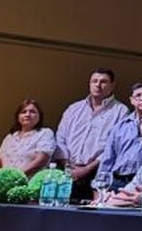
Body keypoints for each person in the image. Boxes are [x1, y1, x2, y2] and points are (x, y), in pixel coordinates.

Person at [54, 68, 129, 201]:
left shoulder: (121, 111)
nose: (98, 85)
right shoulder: (74, 108)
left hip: (97, 173)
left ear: (113, 85)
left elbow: (114, 147)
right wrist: (68, 166)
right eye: (94, 81)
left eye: (103, 82)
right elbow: (60, 139)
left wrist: (86, 169)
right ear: (89, 83)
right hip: (67, 171)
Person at [96, 82, 142, 191]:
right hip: (117, 181)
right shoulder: (119, 127)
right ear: (131, 100)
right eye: (138, 95)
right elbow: (108, 158)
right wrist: (98, 186)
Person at [0, 100, 55, 176]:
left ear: (39, 116)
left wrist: (17, 176)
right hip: (5, 184)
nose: (27, 114)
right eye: (23, 112)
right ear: (18, 117)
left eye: (32, 112)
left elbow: (41, 160)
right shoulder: (9, 137)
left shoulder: (45, 133)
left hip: (29, 183)